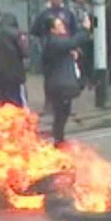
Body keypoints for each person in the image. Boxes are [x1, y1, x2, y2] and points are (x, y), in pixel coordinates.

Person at [42, 17, 86, 145]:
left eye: (62, 24)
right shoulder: (53, 42)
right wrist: (84, 30)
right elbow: (71, 43)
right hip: (58, 85)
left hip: (63, 84)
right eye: (59, 25)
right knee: (60, 114)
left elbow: (71, 48)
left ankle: (59, 138)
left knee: (64, 113)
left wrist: (76, 53)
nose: (63, 26)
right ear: (52, 30)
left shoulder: (59, 41)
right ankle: (58, 139)